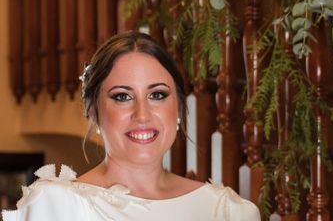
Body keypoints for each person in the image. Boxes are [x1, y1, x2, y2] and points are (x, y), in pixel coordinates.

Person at [2, 31, 260, 221]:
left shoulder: (228, 212)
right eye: (122, 96)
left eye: (157, 95)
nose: (142, 114)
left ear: (179, 108)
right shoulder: (54, 207)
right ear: (93, 111)